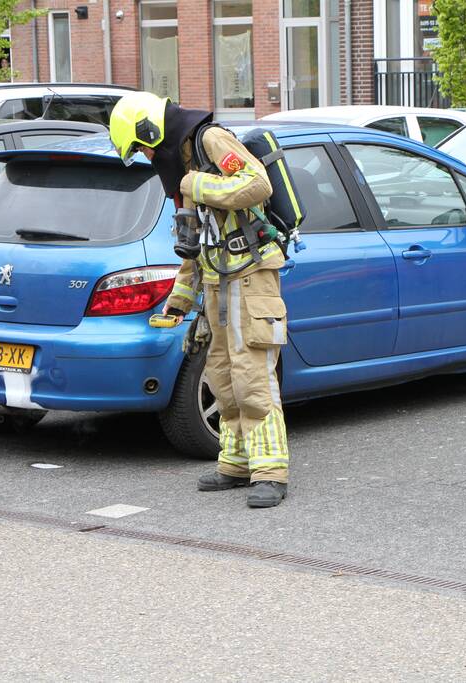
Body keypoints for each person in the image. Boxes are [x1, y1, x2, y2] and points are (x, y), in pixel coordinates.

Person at [110, 92, 291, 508]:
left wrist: (197, 184)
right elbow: (196, 245)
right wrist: (179, 300)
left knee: (252, 377)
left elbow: (256, 183)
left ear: (150, 129)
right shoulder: (185, 162)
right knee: (222, 376)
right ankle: (236, 462)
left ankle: (271, 471)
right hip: (216, 284)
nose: (144, 155)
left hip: (250, 278)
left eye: (141, 146)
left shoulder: (210, 141)